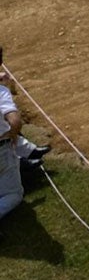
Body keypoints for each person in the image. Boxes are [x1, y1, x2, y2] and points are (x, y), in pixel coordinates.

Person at [0, 47, 48, 223]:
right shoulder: (1, 92)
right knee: (14, 194)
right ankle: (22, 158)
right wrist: (12, 136)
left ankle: (27, 152)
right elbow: (15, 121)